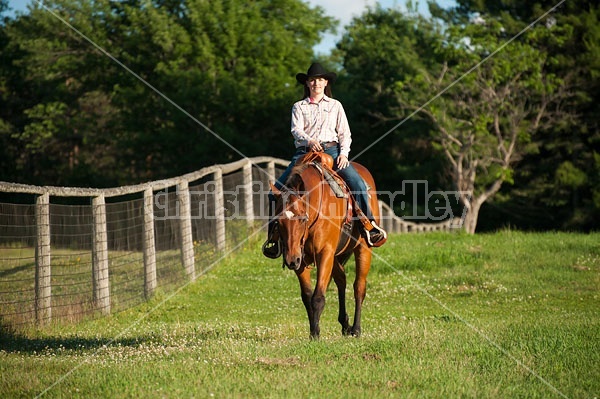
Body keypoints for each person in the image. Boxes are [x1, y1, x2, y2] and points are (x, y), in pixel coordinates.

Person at [262, 63, 387, 259]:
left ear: (325, 82)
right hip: (304, 152)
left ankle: (369, 225)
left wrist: (344, 154)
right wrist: (309, 140)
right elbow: (296, 130)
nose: (316, 83)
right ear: (307, 84)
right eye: (312, 80)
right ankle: (274, 238)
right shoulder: (299, 106)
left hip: (333, 151)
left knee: (358, 183)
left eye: (320, 80)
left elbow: (345, 133)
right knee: (275, 192)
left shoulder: (335, 105)